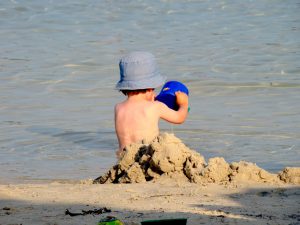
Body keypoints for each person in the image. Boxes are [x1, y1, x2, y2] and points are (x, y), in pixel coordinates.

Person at [114, 51, 189, 157]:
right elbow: (179, 118)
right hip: (146, 158)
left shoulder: (118, 108)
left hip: (124, 159)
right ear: (150, 88)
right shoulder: (155, 107)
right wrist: (183, 104)